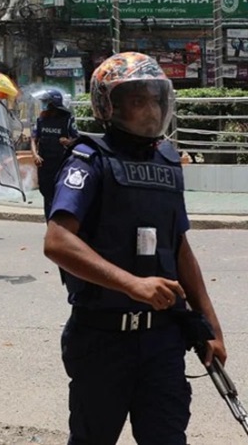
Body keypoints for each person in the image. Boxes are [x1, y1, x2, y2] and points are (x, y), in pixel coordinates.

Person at [43, 52, 226, 444]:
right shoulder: (88, 159)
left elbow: (179, 247)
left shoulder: (168, 162)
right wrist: (132, 285)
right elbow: (58, 241)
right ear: (109, 106)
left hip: (162, 341)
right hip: (102, 339)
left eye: (156, 100)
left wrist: (210, 326)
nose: (150, 111)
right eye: (138, 101)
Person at [30, 88, 79, 219]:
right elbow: (34, 139)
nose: (44, 105)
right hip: (44, 164)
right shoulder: (41, 119)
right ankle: (49, 223)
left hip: (61, 164)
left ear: (54, 104)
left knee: (59, 195)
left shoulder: (67, 119)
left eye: (46, 102)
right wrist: (35, 155)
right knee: (47, 195)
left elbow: (76, 139)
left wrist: (68, 142)